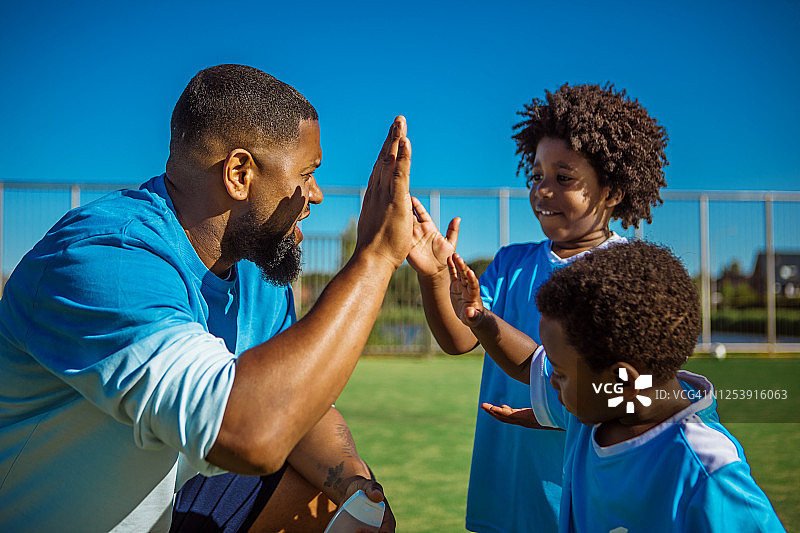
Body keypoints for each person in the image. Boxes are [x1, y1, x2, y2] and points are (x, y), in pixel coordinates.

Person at [0, 64, 414, 532]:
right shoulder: (106, 258)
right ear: (239, 173)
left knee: (332, 500)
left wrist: (355, 487)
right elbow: (252, 433)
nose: (315, 194)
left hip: (169, 505)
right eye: (306, 173)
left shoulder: (259, 274)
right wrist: (376, 257)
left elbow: (294, 404)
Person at [407, 83, 668, 532]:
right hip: (504, 496)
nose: (543, 191)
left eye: (563, 178)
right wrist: (434, 276)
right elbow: (459, 338)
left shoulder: (628, 277)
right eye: (537, 175)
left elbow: (636, 394)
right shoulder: (511, 262)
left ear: (612, 191)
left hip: (579, 502)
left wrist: (556, 409)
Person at [447, 241, 785, 531]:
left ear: (622, 380)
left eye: (560, 372)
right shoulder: (600, 407)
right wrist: (479, 319)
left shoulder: (708, 476)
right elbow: (528, 362)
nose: (549, 377)